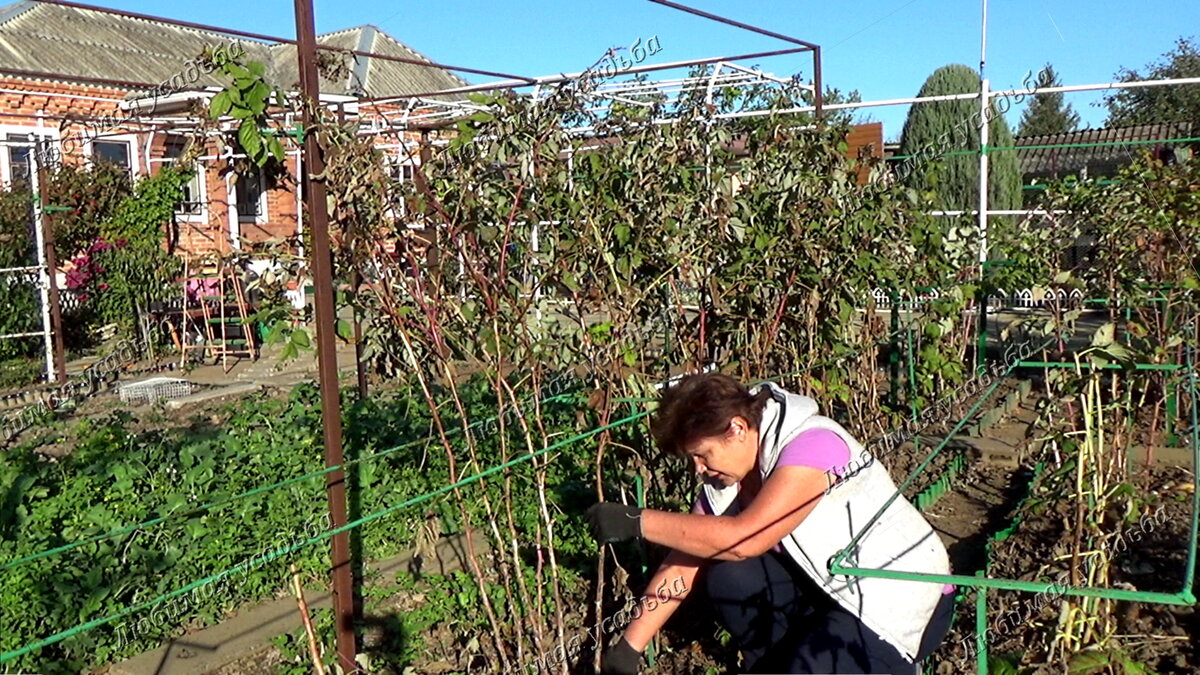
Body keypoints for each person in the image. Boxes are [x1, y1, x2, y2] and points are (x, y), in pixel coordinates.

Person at [586, 373, 955, 674]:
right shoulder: (727, 479)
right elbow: (685, 559)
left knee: (808, 655)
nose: (698, 469)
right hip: (827, 590)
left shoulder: (813, 446)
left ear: (737, 429)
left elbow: (746, 540)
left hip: (890, 598)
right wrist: (628, 649)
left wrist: (637, 521)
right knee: (730, 576)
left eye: (702, 455)